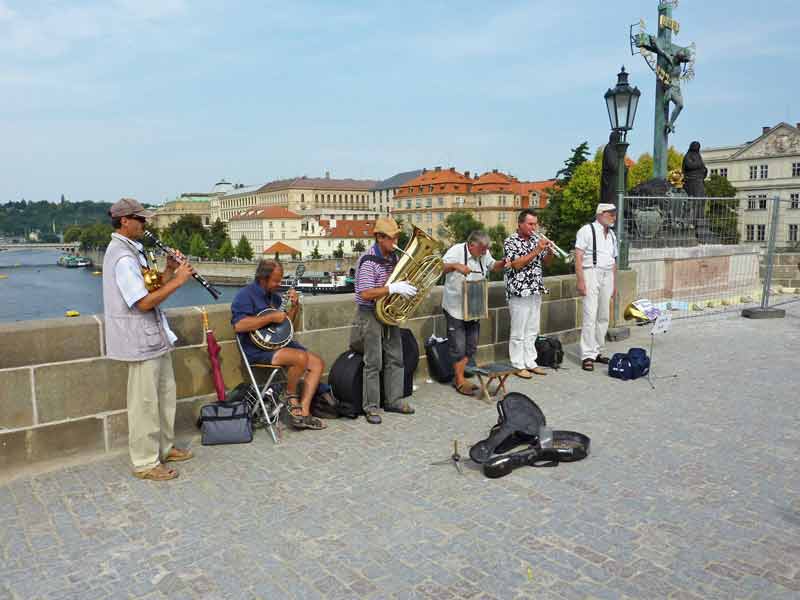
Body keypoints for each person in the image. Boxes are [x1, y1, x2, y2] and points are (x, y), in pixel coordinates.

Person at [102, 197, 195, 481]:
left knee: (165, 394)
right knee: (144, 403)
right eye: (140, 219)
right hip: (138, 340)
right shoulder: (122, 256)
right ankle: (145, 462)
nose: (145, 223)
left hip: (154, 336)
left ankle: (164, 448)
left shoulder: (135, 251)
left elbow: (151, 286)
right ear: (124, 221)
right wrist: (179, 281)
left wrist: (168, 271)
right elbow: (142, 302)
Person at [231, 259, 326, 430]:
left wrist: (294, 307)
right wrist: (270, 317)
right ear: (263, 278)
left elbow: (285, 326)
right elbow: (239, 325)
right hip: (257, 350)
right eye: (276, 280)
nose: (279, 284)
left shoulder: (273, 297)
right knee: (300, 358)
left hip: (278, 346)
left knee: (317, 363)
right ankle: (290, 397)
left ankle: (303, 413)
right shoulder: (245, 295)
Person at [350, 217, 416, 424]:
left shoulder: (393, 257)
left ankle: (393, 400)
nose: (395, 241)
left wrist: (405, 287)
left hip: (388, 312)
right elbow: (366, 292)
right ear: (379, 238)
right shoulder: (369, 260)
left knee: (396, 357)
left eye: (397, 236)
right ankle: (371, 407)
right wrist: (393, 288)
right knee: (374, 361)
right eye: (392, 237)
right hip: (369, 313)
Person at [442, 230, 507, 396]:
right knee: (458, 347)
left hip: (474, 306)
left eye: (486, 249)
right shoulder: (456, 251)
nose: (485, 252)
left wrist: (504, 263)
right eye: (482, 249)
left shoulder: (484, 253)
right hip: (455, 307)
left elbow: (493, 265)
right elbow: (439, 268)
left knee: (471, 346)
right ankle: (459, 380)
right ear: (471, 245)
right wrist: (455, 266)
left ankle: (461, 376)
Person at [503, 209, 553, 378]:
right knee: (518, 330)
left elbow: (547, 262)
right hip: (519, 290)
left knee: (532, 328)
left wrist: (550, 250)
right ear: (520, 224)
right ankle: (517, 364)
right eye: (530, 224)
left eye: (535, 224)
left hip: (535, 288)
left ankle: (531, 361)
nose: (534, 227)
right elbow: (516, 264)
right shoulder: (510, 241)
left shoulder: (535, 240)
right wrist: (537, 250)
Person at [575, 204, 618, 372]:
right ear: (601, 214)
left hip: (607, 274)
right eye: (611, 214)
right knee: (590, 314)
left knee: (603, 315)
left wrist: (614, 283)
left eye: (614, 214)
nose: (614, 217)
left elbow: (613, 260)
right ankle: (587, 354)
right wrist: (580, 280)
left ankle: (597, 350)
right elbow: (578, 257)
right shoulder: (586, 230)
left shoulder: (612, 234)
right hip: (591, 272)